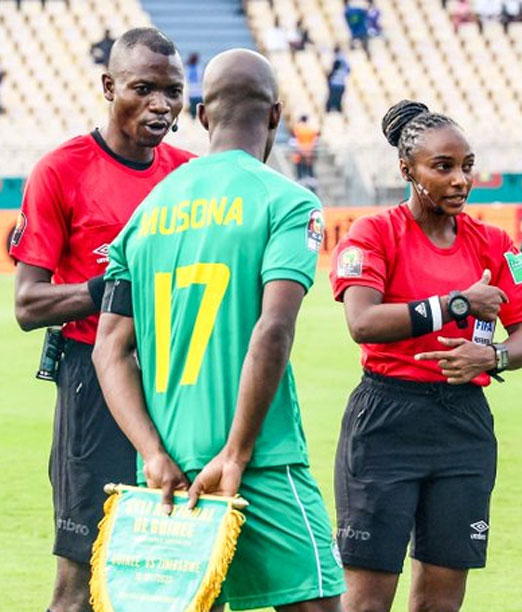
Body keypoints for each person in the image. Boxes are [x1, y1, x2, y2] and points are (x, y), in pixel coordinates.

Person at [92, 48, 345, 612]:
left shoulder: (146, 213)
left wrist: (151, 453)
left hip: (166, 472)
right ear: (275, 117)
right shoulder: (287, 201)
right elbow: (273, 330)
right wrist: (237, 451)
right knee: (318, 604)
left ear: (202, 116)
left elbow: (109, 348)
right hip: (257, 463)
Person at [329, 99, 522, 612]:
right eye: (443, 167)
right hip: (386, 420)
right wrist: (456, 304)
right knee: (366, 601)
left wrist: (491, 359)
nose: (459, 180)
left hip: (462, 426)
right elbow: (363, 322)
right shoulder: (373, 233)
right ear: (407, 170)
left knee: (442, 602)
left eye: (466, 166)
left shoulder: (494, 242)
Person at [10, 27, 192, 612]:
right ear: (109, 86)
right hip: (93, 378)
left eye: (173, 90)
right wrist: (116, 289)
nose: (161, 105)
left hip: (180, 379)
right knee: (84, 579)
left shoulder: (190, 175)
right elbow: (28, 304)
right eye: (144, 88)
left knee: (184, 569)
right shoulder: (61, 170)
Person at [292, 113, 319, 180]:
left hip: (300, 154)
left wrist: (301, 150)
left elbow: (294, 142)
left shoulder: (297, 129)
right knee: (310, 174)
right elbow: (315, 141)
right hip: (308, 154)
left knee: (300, 175)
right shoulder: (311, 129)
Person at [325, 46, 350, 114]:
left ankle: (330, 111)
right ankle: (337, 111)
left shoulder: (337, 59)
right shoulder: (345, 61)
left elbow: (333, 71)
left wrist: (329, 76)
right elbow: (348, 70)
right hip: (341, 84)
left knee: (332, 100)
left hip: (335, 83)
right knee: (338, 100)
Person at [186, 52, 203, 119]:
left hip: (196, 92)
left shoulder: (198, 68)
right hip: (193, 92)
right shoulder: (188, 68)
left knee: (196, 109)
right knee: (194, 109)